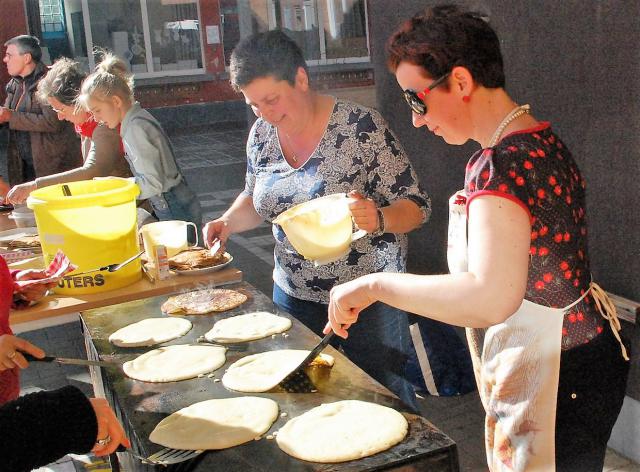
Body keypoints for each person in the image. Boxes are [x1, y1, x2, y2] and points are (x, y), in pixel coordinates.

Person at [324, 6, 629, 471]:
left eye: (416, 99)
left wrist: (373, 286)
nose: (417, 120)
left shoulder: (499, 166)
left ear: (461, 82)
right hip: (589, 357)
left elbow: (487, 297)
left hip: (555, 375)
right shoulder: (540, 138)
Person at [203, 30, 431, 411]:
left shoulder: (361, 128)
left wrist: (378, 218)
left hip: (368, 301)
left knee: (382, 402)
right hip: (294, 296)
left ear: (301, 78)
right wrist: (226, 222)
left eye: (272, 99)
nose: (265, 114)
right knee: (305, 402)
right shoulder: (261, 135)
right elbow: (256, 197)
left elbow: (417, 206)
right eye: (254, 104)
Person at [77, 52, 201, 229]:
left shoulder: (134, 129)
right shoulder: (139, 118)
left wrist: (118, 188)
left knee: (184, 256)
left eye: (97, 110)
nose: (96, 119)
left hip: (174, 208)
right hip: (177, 203)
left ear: (116, 101)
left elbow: (153, 183)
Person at [6, 57, 131, 204]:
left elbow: (92, 171)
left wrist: (34, 186)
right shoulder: (85, 126)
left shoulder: (104, 126)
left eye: (62, 109)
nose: (59, 117)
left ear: (78, 102)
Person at [0, 35, 82, 185]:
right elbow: (7, 115)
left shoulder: (49, 82)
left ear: (26, 58)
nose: (5, 60)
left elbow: (53, 121)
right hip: (22, 164)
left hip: (52, 163)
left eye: (9, 55)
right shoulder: (14, 84)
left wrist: (11, 117)